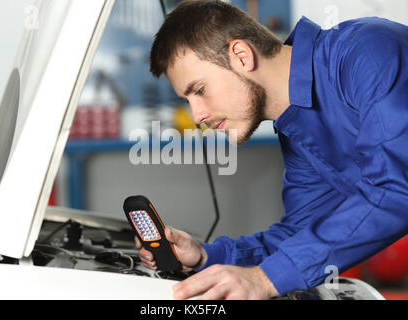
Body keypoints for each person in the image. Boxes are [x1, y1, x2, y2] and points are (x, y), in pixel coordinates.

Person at [135, 0, 408, 300]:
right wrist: (206, 256)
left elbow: (396, 188)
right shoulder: (297, 127)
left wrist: (265, 279)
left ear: (241, 55)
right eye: (188, 100)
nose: (197, 115)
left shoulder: (367, 53)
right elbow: (302, 234)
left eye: (199, 90)